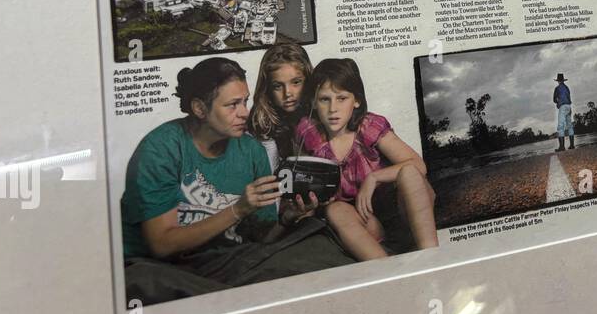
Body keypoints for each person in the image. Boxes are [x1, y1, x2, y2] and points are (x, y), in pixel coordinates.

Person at [121, 58, 321, 263]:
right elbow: (161, 245)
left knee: (317, 241)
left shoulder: (253, 151)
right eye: (233, 105)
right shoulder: (161, 148)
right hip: (160, 268)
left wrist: (286, 219)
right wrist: (238, 209)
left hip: (227, 262)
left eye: (245, 101)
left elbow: (262, 239)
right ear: (199, 108)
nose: (244, 113)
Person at [294, 58, 437, 262]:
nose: (333, 108)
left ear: (357, 101)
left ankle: (431, 257)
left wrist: (374, 178)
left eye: (342, 98)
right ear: (313, 103)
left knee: (410, 173)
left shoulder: (368, 126)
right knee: (335, 210)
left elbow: (418, 165)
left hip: (402, 211)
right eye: (325, 99)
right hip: (366, 220)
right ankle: (386, 269)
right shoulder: (310, 134)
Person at [248, 43, 313, 171]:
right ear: (267, 88)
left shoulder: (320, 115)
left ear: (308, 80)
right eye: (277, 86)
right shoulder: (262, 126)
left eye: (296, 82)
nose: (287, 93)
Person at [554, 73, 574, 151]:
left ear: (558, 81)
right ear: (563, 80)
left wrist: (558, 102)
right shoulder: (567, 88)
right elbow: (568, 97)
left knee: (560, 126)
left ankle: (562, 147)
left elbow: (554, 99)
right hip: (569, 106)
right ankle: (572, 145)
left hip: (562, 107)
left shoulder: (557, 88)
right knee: (569, 125)